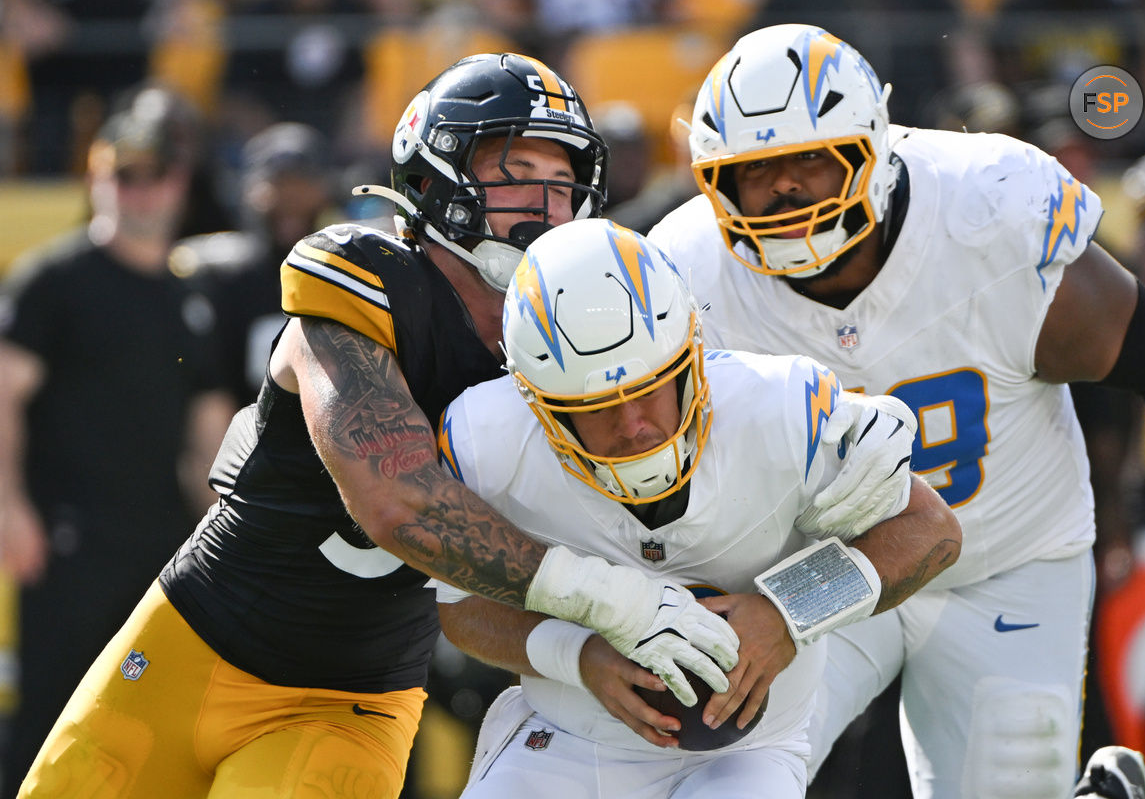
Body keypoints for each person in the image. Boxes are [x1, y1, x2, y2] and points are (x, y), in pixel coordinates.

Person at [13, 54, 745, 798]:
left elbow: (470, 610)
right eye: (520, 170)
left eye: (563, 182)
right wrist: (612, 602)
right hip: (192, 640)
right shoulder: (364, 281)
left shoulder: (592, 343)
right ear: (432, 181)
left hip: (350, 702)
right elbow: (398, 503)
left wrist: (594, 646)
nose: (549, 204)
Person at [646, 23, 1145, 799]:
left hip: (1007, 559)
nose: (785, 187)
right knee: (713, 778)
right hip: (811, 575)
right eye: (755, 170)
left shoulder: (989, 218)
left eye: (810, 157)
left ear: (871, 149)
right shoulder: (687, 276)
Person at [433, 217, 962, 798]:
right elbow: (464, 612)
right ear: (535, 401)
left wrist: (788, 612)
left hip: (748, 752)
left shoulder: (781, 409)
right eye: (595, 405)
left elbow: (930, 530)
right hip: (571, 735)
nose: (633, 425)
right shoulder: (486, 438)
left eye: (650, 386)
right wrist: (580, 655)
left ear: (693, 355)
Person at [0, 99, 235, 794]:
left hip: (161, 549)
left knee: (151, 727)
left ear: (179, 181)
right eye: (121, 171)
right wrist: (10, 507)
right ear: (96, 176)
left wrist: (227, 537)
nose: (139, 187)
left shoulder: (188, 294)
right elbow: (4, 395)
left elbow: (210, 436)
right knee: (52, 718)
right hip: (69, 539)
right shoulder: (55, 278)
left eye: (154, 171)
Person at [175, 121, 335, 407]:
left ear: (324, 190)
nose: (290, 199)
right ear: (248, 191)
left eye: (301, 184)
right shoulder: (222, 279)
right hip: (243, 439)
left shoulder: (346, 276)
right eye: (278, 185)